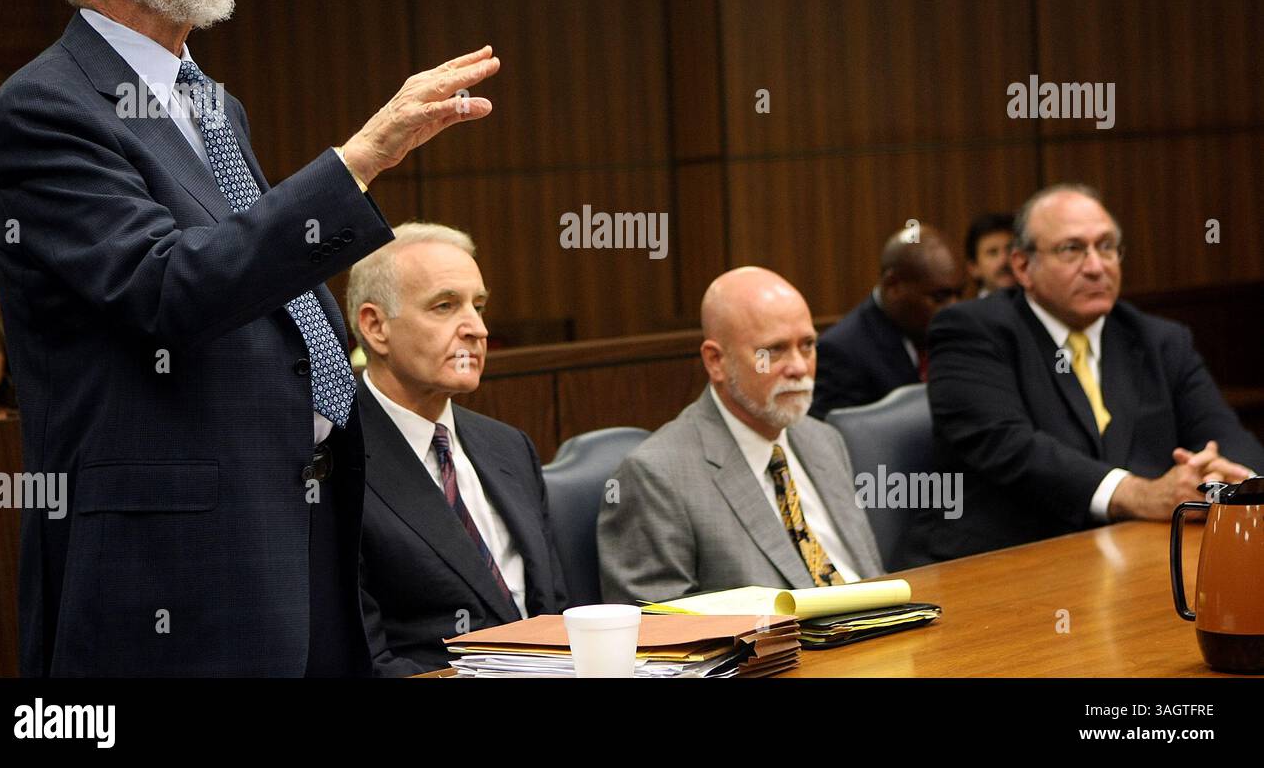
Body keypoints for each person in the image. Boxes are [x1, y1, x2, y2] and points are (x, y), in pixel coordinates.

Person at [0, 0, 500, 676]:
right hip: (172, 567)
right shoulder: (45, 110)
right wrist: (363, 156)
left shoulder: (211, 104)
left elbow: (256, 282)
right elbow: (167, 290)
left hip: (298, 527)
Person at [909, 184, 1264, 563]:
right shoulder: (969, 330)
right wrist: (1139, 494)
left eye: (1107, 246)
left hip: (1138, 556)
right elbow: (1010, 448)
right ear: (1023, 266)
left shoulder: (1160, 339)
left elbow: (1228, 437)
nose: (1096, 267)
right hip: (1007, 564)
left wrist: (1221, 481)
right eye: (1072, 249)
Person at [347, 223, 566, 675]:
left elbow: (556, 610)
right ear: (375, 327)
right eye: (445, 306)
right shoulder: (335, 463)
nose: (477, 329)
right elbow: (364, 660)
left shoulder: (509, 446)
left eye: (479, 306)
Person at [599, 267, 883, 605]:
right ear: (716, 361)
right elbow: (658, 634)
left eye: (807, 345)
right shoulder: (656, 476)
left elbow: (873, 577)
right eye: (773, 351)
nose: (799, 367)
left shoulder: (824, 440)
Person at [810, 225, 964, 418]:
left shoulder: (954, 334)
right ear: (894, 286)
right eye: (940, 297)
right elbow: (834, 440)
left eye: (959, 294)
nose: (954, 308)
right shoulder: (840, 352)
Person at [965, 212, 1016, 297]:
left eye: (1010, 249)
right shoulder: (964, 310)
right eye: (992, 252)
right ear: (973, 267)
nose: (1004, 260)